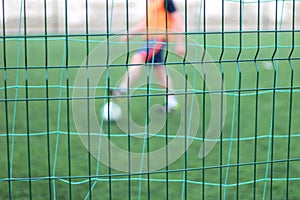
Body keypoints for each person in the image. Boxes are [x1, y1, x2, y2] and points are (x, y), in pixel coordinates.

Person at [113, 0, 185, 112]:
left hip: (158, 38)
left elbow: (177, 17)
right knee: (159, 70)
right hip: (151, 38)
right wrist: (131, 32)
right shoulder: (150, 2)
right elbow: (145, 22)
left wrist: (180, 42)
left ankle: (123, 89)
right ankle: (171, 102)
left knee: (138, 57)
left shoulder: (165, 1)